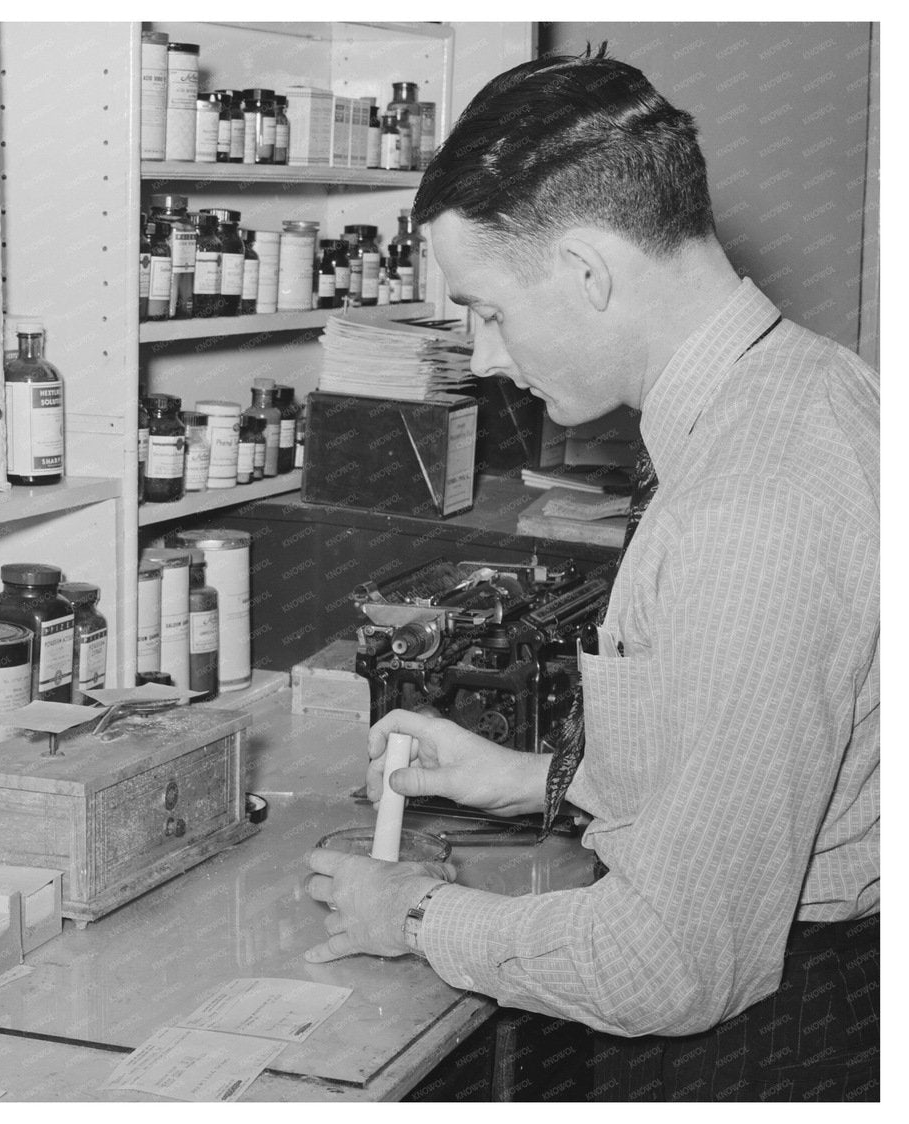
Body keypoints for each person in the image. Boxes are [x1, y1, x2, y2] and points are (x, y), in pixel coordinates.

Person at [304, 45, 879, 1101]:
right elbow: (763, 767)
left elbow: (674, 963)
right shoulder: (811, 385)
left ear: (584, 270)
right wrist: (535, 778)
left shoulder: (750, 505)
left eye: (487, 309)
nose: (484, 355)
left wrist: (416, 913)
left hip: (793, 1025)